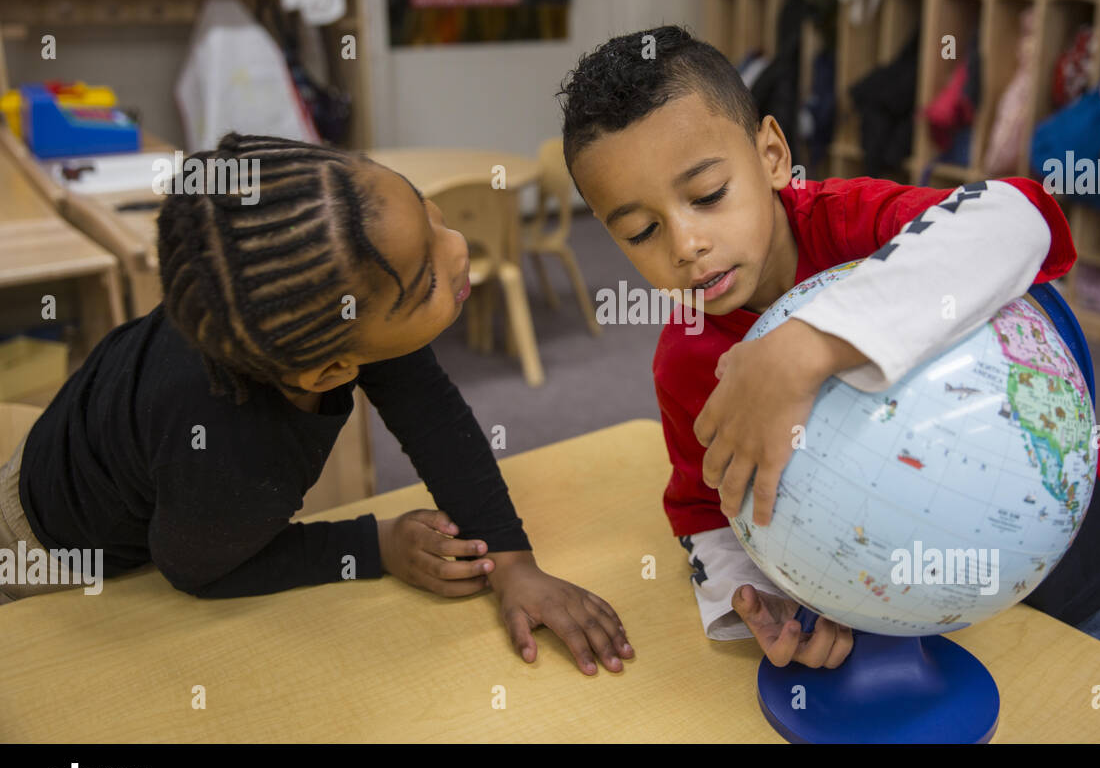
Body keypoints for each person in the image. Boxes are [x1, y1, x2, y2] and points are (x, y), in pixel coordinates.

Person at [556, 26, 1100, 668]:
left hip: (1071, 551)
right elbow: (705, 506)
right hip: (904, 607)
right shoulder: (686, 360)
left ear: (772, 155)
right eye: (642, 231)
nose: (684, 244)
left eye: (707, 196)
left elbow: (1016, 219)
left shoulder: (854, 222)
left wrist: (809, 343)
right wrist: (755, 600)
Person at [0, 132, 634, 677]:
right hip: (45, 555)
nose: (458, 244)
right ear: (330, 369)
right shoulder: (236, 454)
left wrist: (513, 560)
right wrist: (375, 545)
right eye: (429, 279)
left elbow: (430, 413)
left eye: (425, 208)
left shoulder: (324, 302)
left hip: (98, 460)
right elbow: (199, 569)